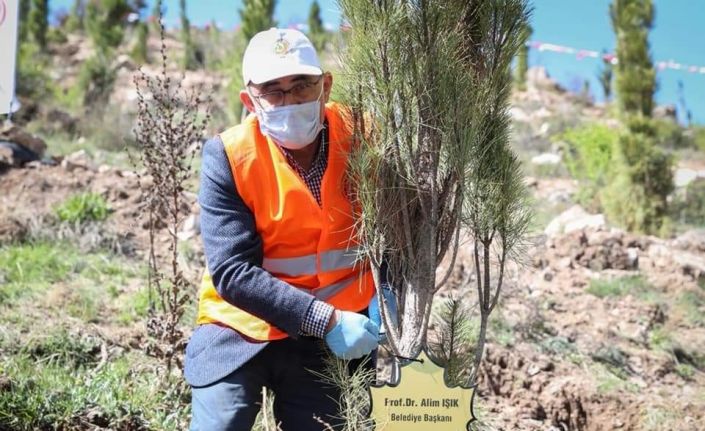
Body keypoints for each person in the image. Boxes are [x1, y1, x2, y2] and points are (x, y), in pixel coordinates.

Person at [184, 28, 382, 431]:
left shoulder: (365, 137)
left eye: (301, 86)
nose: (289, 101)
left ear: (325, 86)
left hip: (334, 341)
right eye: (273, 91)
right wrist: (324, 319)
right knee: (221, 424)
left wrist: (390, 292)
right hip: (241, 326)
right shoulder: (229, 155)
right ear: (249, 100)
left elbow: (402, 227)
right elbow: (232, 273)